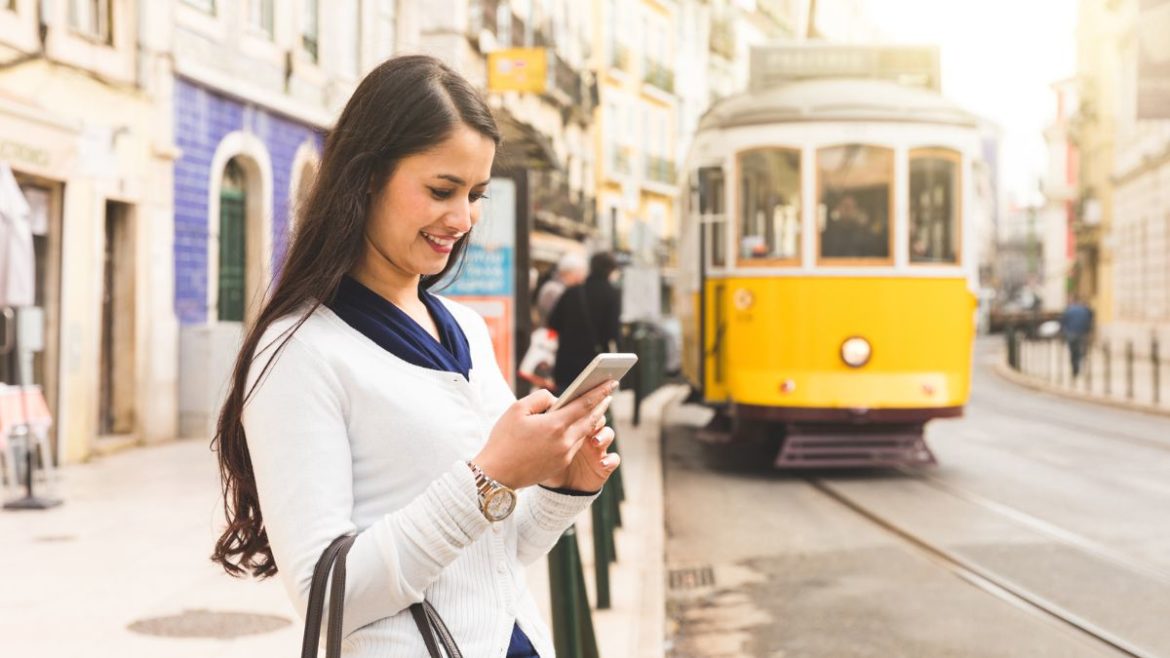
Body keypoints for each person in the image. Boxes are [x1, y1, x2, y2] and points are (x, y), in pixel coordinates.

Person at [210, 56, 620, 658]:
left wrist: (564, 488)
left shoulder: (466, 328)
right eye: (441, 189)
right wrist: (489, 478)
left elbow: (493, 556)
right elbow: (326, 596)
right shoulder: (298, 349)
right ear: (366, 176)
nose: (462, 218)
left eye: (476, 194)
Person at [547, 252, 622, 393]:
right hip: (594, 362)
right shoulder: (611, 294)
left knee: (563, 402)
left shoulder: (573, 292)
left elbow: (553, 322)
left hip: (566, 361)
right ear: (611, 270)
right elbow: (613, 332)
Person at [534, 252, 587, 328]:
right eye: (580, 274)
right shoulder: (553, 289)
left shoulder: (563, 288)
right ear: (569, 273)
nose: (581, 279)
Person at [1061, 294, 1094, 377]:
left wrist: (1065, 332)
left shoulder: (1069, 310)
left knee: (1073, 352)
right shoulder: (1084, 310)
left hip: (1071, 334)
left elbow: (1063, 322)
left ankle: (1075, 370)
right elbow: (1089, 321)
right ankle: (1079, 367)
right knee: (1080, 352)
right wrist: (1088, 331)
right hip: (1082, 334)